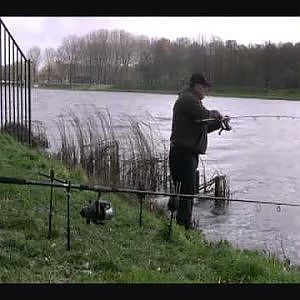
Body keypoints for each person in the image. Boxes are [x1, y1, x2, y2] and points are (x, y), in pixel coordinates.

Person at [168, 73, 230, 229]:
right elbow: (204, 115)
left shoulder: (190, 100)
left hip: (185, 154)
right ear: (196, 85)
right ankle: (184, 228)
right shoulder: (188, 100)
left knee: (185, 193)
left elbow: (203, 125)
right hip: (183, 155)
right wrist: (217, 115)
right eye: (204, 87)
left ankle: (178, 224)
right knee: (186, 195)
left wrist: (219, 124)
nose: (206, 91)